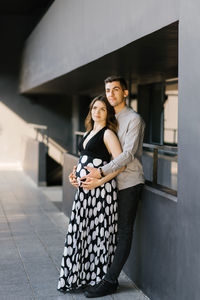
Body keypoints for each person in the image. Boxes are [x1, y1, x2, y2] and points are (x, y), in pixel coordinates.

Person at [80, 75, 145, 298]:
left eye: (116, 90)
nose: (111, 94)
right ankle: (98, 273)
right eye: (108, 90)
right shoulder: (107, 117)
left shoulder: (134, 119)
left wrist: (101, 172)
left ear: (125, 93)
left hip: (128, 182)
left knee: (124, 232)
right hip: (106, 186)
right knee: (107, 230)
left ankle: (110, 281)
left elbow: (127, 154)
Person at [57, 95, 124, 293]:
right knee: (84, 232)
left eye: (103, 109)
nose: (98, 112)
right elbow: (84, 159)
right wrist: (73, 174)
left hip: (101, 193)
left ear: (108, 113)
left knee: (100, 234)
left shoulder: (108, 134)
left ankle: (101, 280)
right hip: (86, 192)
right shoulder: (89, 132)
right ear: (91, 111)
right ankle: (85, 276)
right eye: (95, 108)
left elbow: (120, 164)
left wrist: (99, 181)